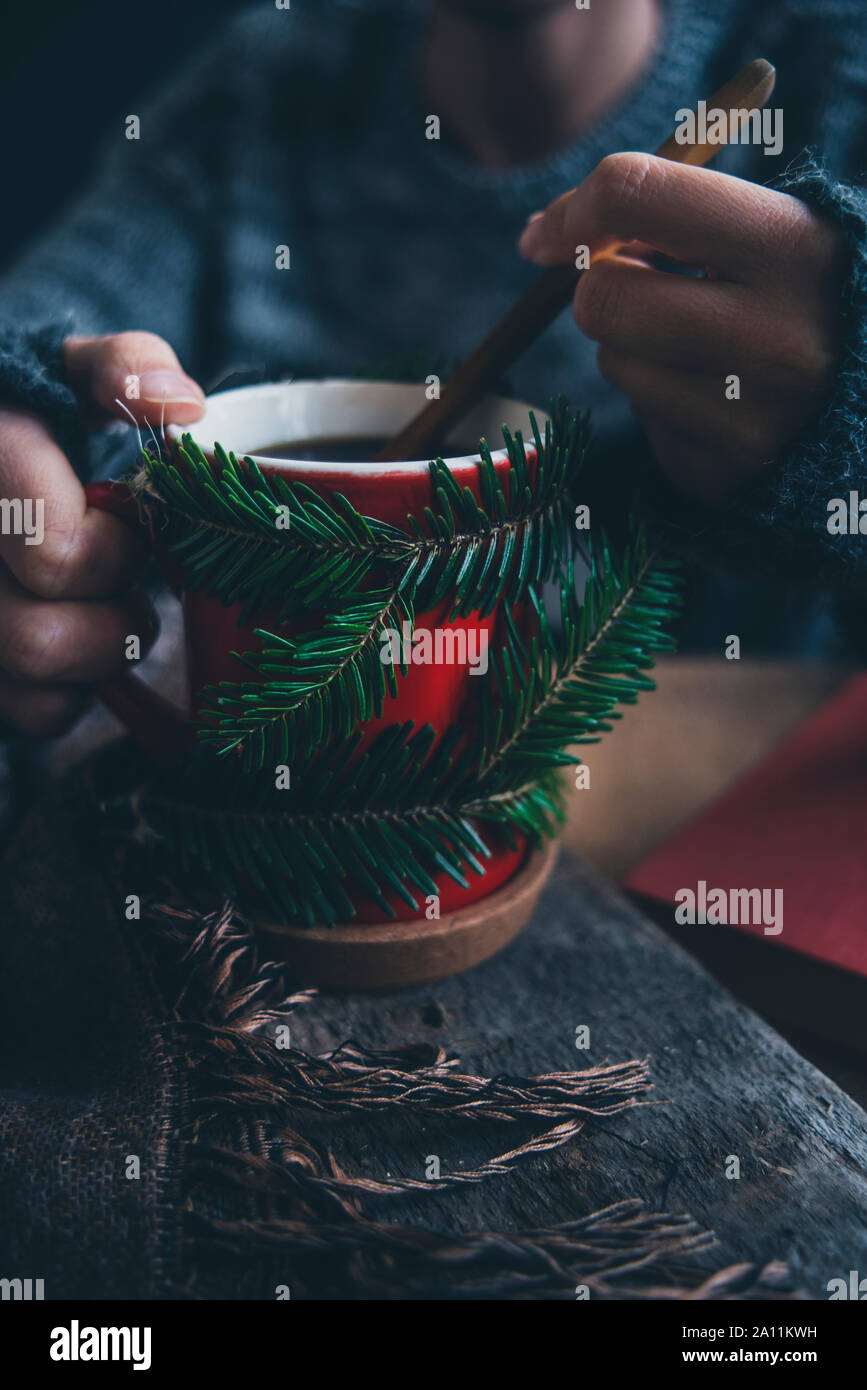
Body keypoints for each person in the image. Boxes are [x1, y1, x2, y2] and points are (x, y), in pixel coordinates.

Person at [0, 0, 864, 740]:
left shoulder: (834, 79)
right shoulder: (264, 91)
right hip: (271, 845)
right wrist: (25, 432)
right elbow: (40, 330)